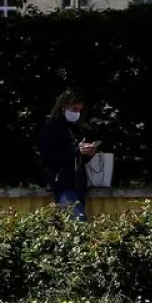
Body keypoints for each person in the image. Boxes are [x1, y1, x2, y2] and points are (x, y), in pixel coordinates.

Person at [39, 89, 97, 219]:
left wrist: (87, 154)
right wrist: (77, 151)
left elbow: (76, 157)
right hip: (63, 182)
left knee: (73, 224)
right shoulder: (51, 125)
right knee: (77, 222)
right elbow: (48, 156)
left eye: (79, 110)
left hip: (78, 182)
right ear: (64, 106)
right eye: (74, 109)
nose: (77, 113)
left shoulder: (75, 127)